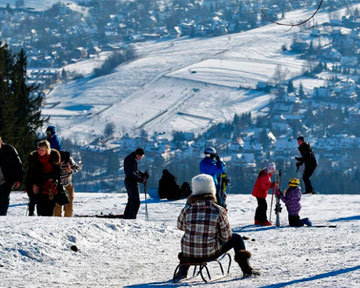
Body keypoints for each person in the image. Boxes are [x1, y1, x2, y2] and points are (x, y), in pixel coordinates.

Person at [174, 174, 259, 282]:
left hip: (188, 254)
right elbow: (227, 236)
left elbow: (180, 226)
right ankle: (246, 269)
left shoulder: (187, 209)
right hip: (209, 254)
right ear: (211, 189)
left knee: (191, 241)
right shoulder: (218, 210)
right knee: (236, 238)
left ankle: (183, 271)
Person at [26, 140, 61, 216]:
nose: (40, 151)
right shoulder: (34, 158)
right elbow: (30, 174)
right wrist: (33, 184)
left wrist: (53, 179)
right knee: (40, 207)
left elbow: (58, 172)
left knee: (50, 208)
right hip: (38, 185)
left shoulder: (54, 157)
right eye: (39, 149)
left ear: (47, 150)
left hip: (51, 187)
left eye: (42, 150)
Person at [53, 151, 81, 217]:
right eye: (60, 162)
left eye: (62, 162)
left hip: (68, 185)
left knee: (69, 207)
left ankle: (67, 222)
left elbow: (77, 168)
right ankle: (56, 222)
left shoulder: (69, 160)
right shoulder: (54, 160)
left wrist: (70, 170)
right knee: (57, 207)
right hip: (57, 187)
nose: (61, 163)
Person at [122, 148, 148, 219]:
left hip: (128, 181)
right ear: (138, 155)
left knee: (131, 200)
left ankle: (127, 215)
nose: (141, 158)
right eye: (141, 156)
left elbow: (134, 170)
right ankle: (131, 217)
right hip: (131, 182)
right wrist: (141, 180)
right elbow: (131, 173)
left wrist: (141, 174)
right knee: (136, 201)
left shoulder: (130, 158)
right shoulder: (132, 160)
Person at [0, 137, 23, 215]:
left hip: (6, 179)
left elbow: (18, 165)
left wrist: (18, 179)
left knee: (4, 199)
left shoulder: (9, 149)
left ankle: (2, 217)